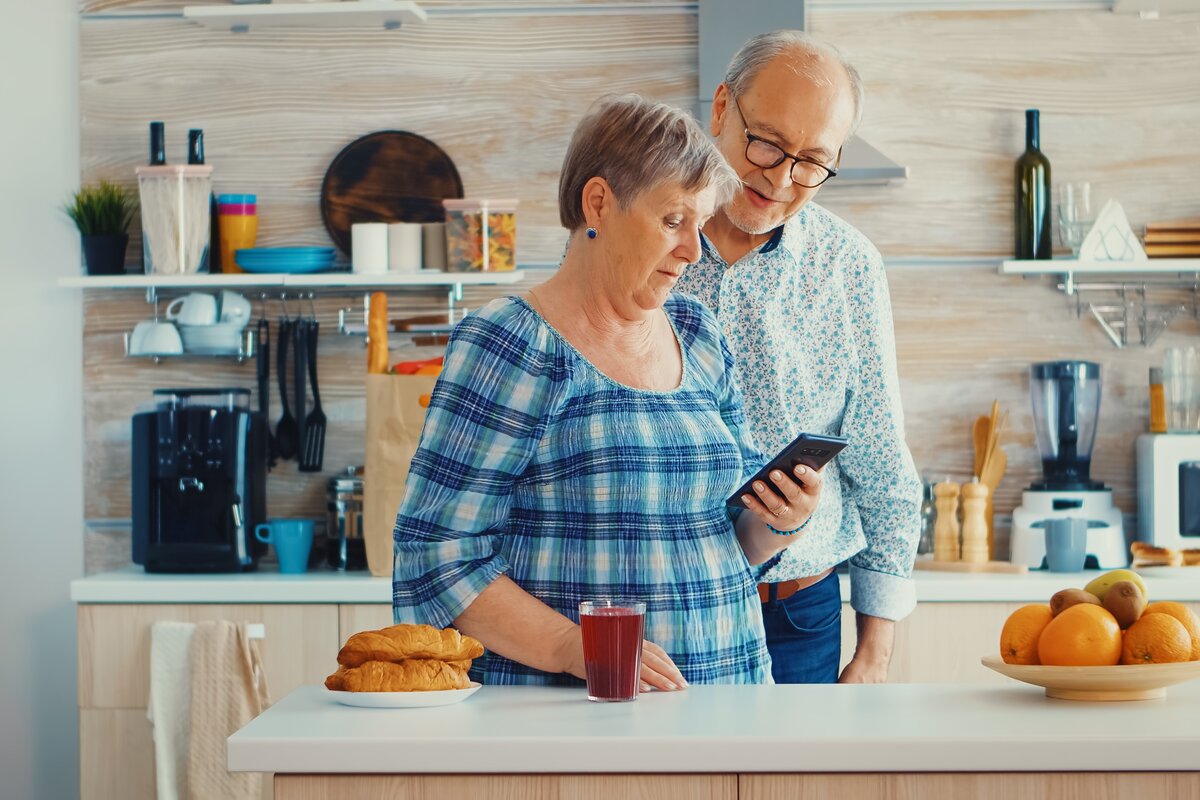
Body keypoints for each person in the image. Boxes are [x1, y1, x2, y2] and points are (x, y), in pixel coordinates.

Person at [392, 94, 823, 690]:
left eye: (699, 224)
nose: (693, 250)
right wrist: (577, 646)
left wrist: (783, 519)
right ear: (599, 202)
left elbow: (729, 535)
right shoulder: (511, 342)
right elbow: (437, 555)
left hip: (730, 691)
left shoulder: (697, 332)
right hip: (577, 717)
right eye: (673, 221)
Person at [676, 31, 922, 685]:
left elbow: (883, 470)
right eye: (767, 145)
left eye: (812, 161)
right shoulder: (639, 242)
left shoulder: (849, 268)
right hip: (659, 614)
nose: (781, 179)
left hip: (798, 618)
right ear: (722, 108)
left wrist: (873, 656)